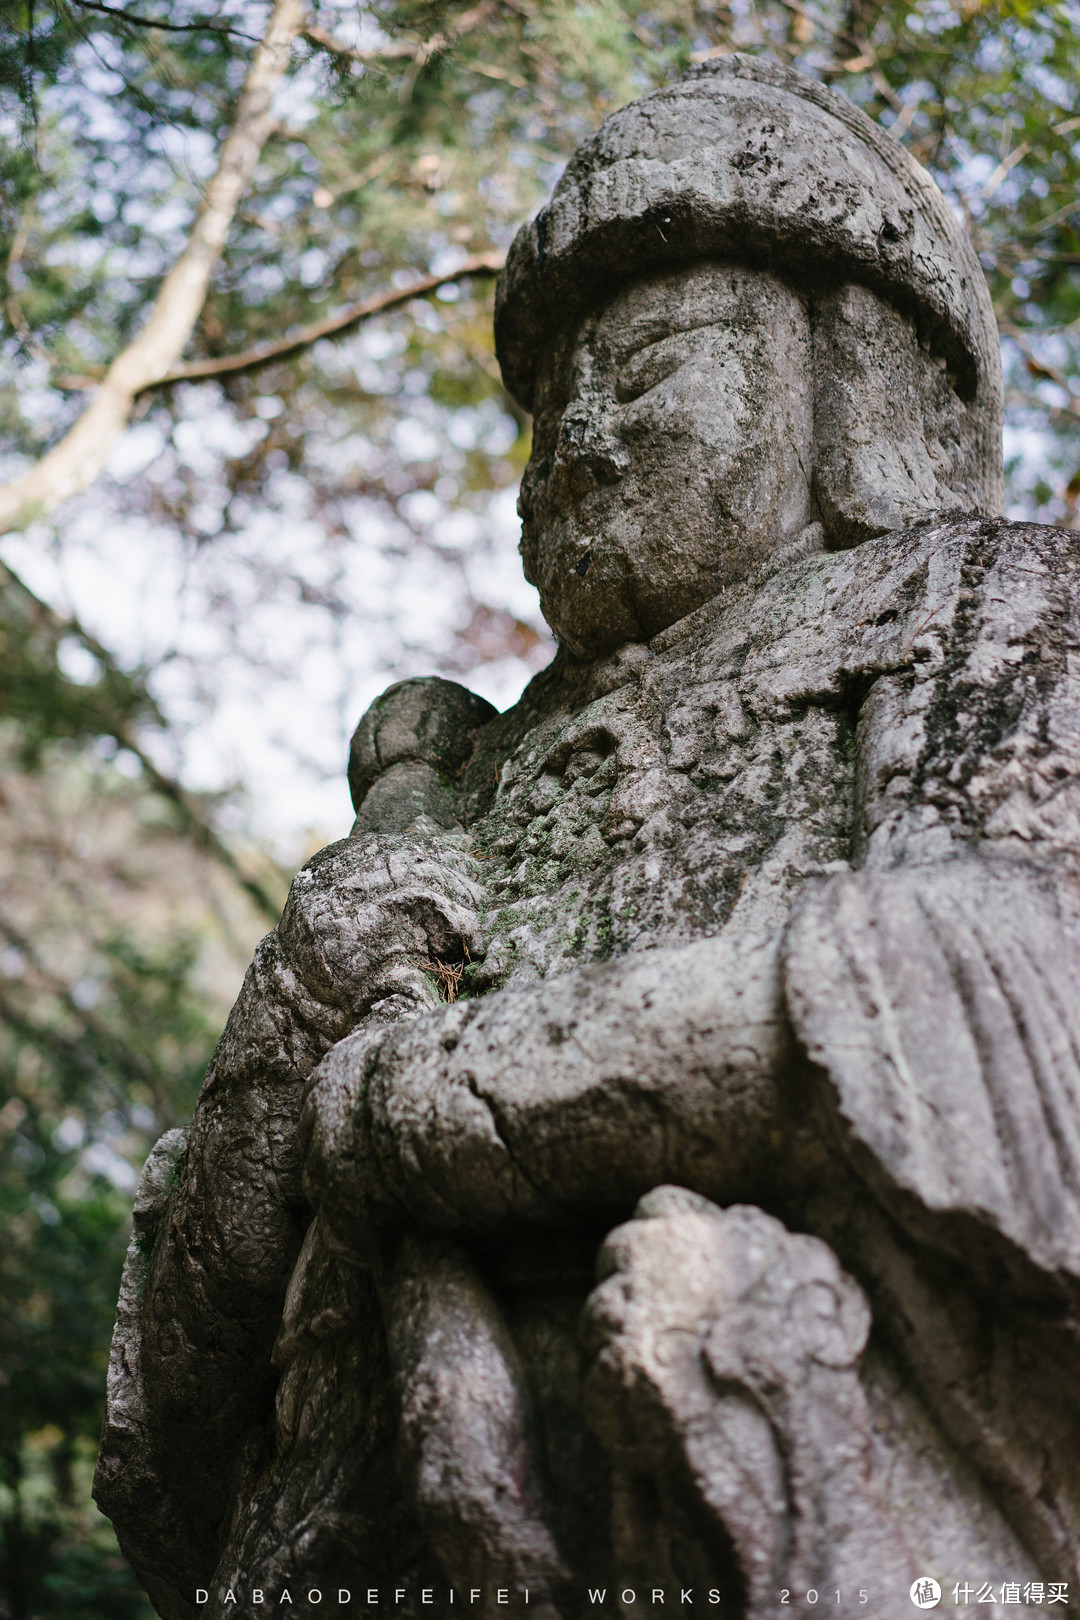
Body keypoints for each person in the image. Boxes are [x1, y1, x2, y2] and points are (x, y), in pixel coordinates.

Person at [97, 55, 1080, 1620]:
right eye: (556, 401)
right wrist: (293, 1025)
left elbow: (1016, 992)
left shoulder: (986, 610)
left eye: (660, 361)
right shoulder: (458, 784)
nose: (585, 438)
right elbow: (168, 1433)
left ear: (851, 380)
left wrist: (493, 1092)